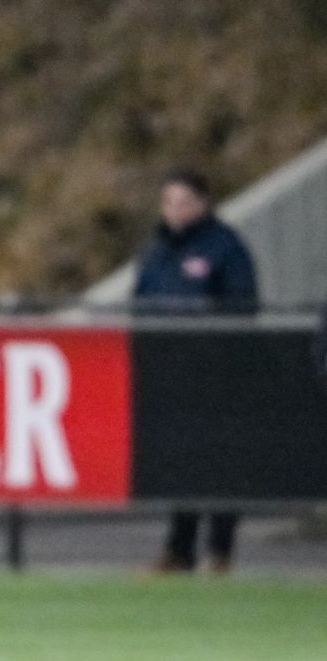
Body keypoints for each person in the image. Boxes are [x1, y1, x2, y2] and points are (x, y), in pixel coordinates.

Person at [134, 169, 258, 573]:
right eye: (168, 201)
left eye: (184, 201)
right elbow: (141, 302)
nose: (175, 210)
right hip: (172, 374)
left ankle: (220, 550)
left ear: (203, 203)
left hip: (216, 374)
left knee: (221, 460)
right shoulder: (158, 250)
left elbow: (243, 306)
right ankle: (179, 548)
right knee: (181, 461)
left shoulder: (225, 247)